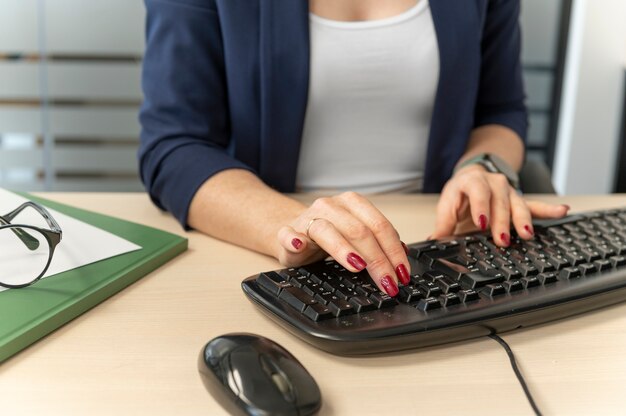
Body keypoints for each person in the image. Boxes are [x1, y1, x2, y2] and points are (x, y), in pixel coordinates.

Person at [138, 0, 568, 297]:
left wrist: (480, 166)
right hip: (278, 254)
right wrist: (293, 225)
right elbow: (174, 145)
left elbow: (501, 110)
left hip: (444, 245)